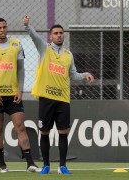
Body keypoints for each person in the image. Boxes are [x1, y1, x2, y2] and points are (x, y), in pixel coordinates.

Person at [23, 15, 94, 175]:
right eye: (55, 33)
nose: (59, 35)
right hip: (46, 98)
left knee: (63, 132)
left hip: (63, 99)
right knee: (45, 132)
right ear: (51, 36)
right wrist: (28, 26)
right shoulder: (44, 48)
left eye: (61, 33)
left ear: (64, 35)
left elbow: (73, 74)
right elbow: (34, 37)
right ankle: (46, 165)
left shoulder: (68, 55)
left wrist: (84, 75)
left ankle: (62, 166)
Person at [0, 17, 40, 173]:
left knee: (20, 126)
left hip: (13, 95)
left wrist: (20, 89)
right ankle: (2, 165)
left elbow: (21, 69)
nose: (2, 30)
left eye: (4, 27)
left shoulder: (16, 45)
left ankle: (30, 163)